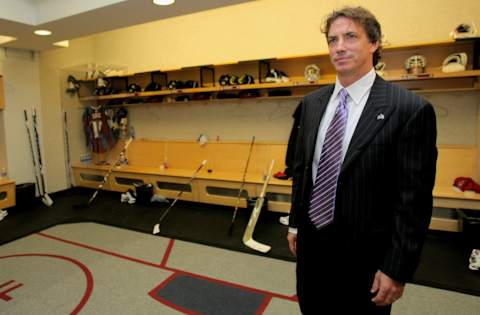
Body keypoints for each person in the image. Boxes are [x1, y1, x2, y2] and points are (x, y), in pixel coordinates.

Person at [286, 6, 437, 314]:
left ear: (374, 42)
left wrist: (397, 268)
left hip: (366, 260)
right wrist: (296, 224)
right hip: (312, 251)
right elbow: (303, 171)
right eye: (333, 39)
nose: (339, 47)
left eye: (351, 36)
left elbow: (413, 201)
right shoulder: (311, 104)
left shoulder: (409, 110)